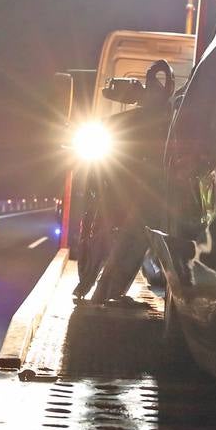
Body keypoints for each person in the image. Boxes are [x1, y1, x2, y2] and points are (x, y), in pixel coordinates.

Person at [77, 60, 174, 304]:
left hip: (151, 189)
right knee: (108, 231)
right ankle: (95, 285)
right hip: (125, 184)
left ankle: (103, 289)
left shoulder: (171, 117)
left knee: (133, 236)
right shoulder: (127, 120)